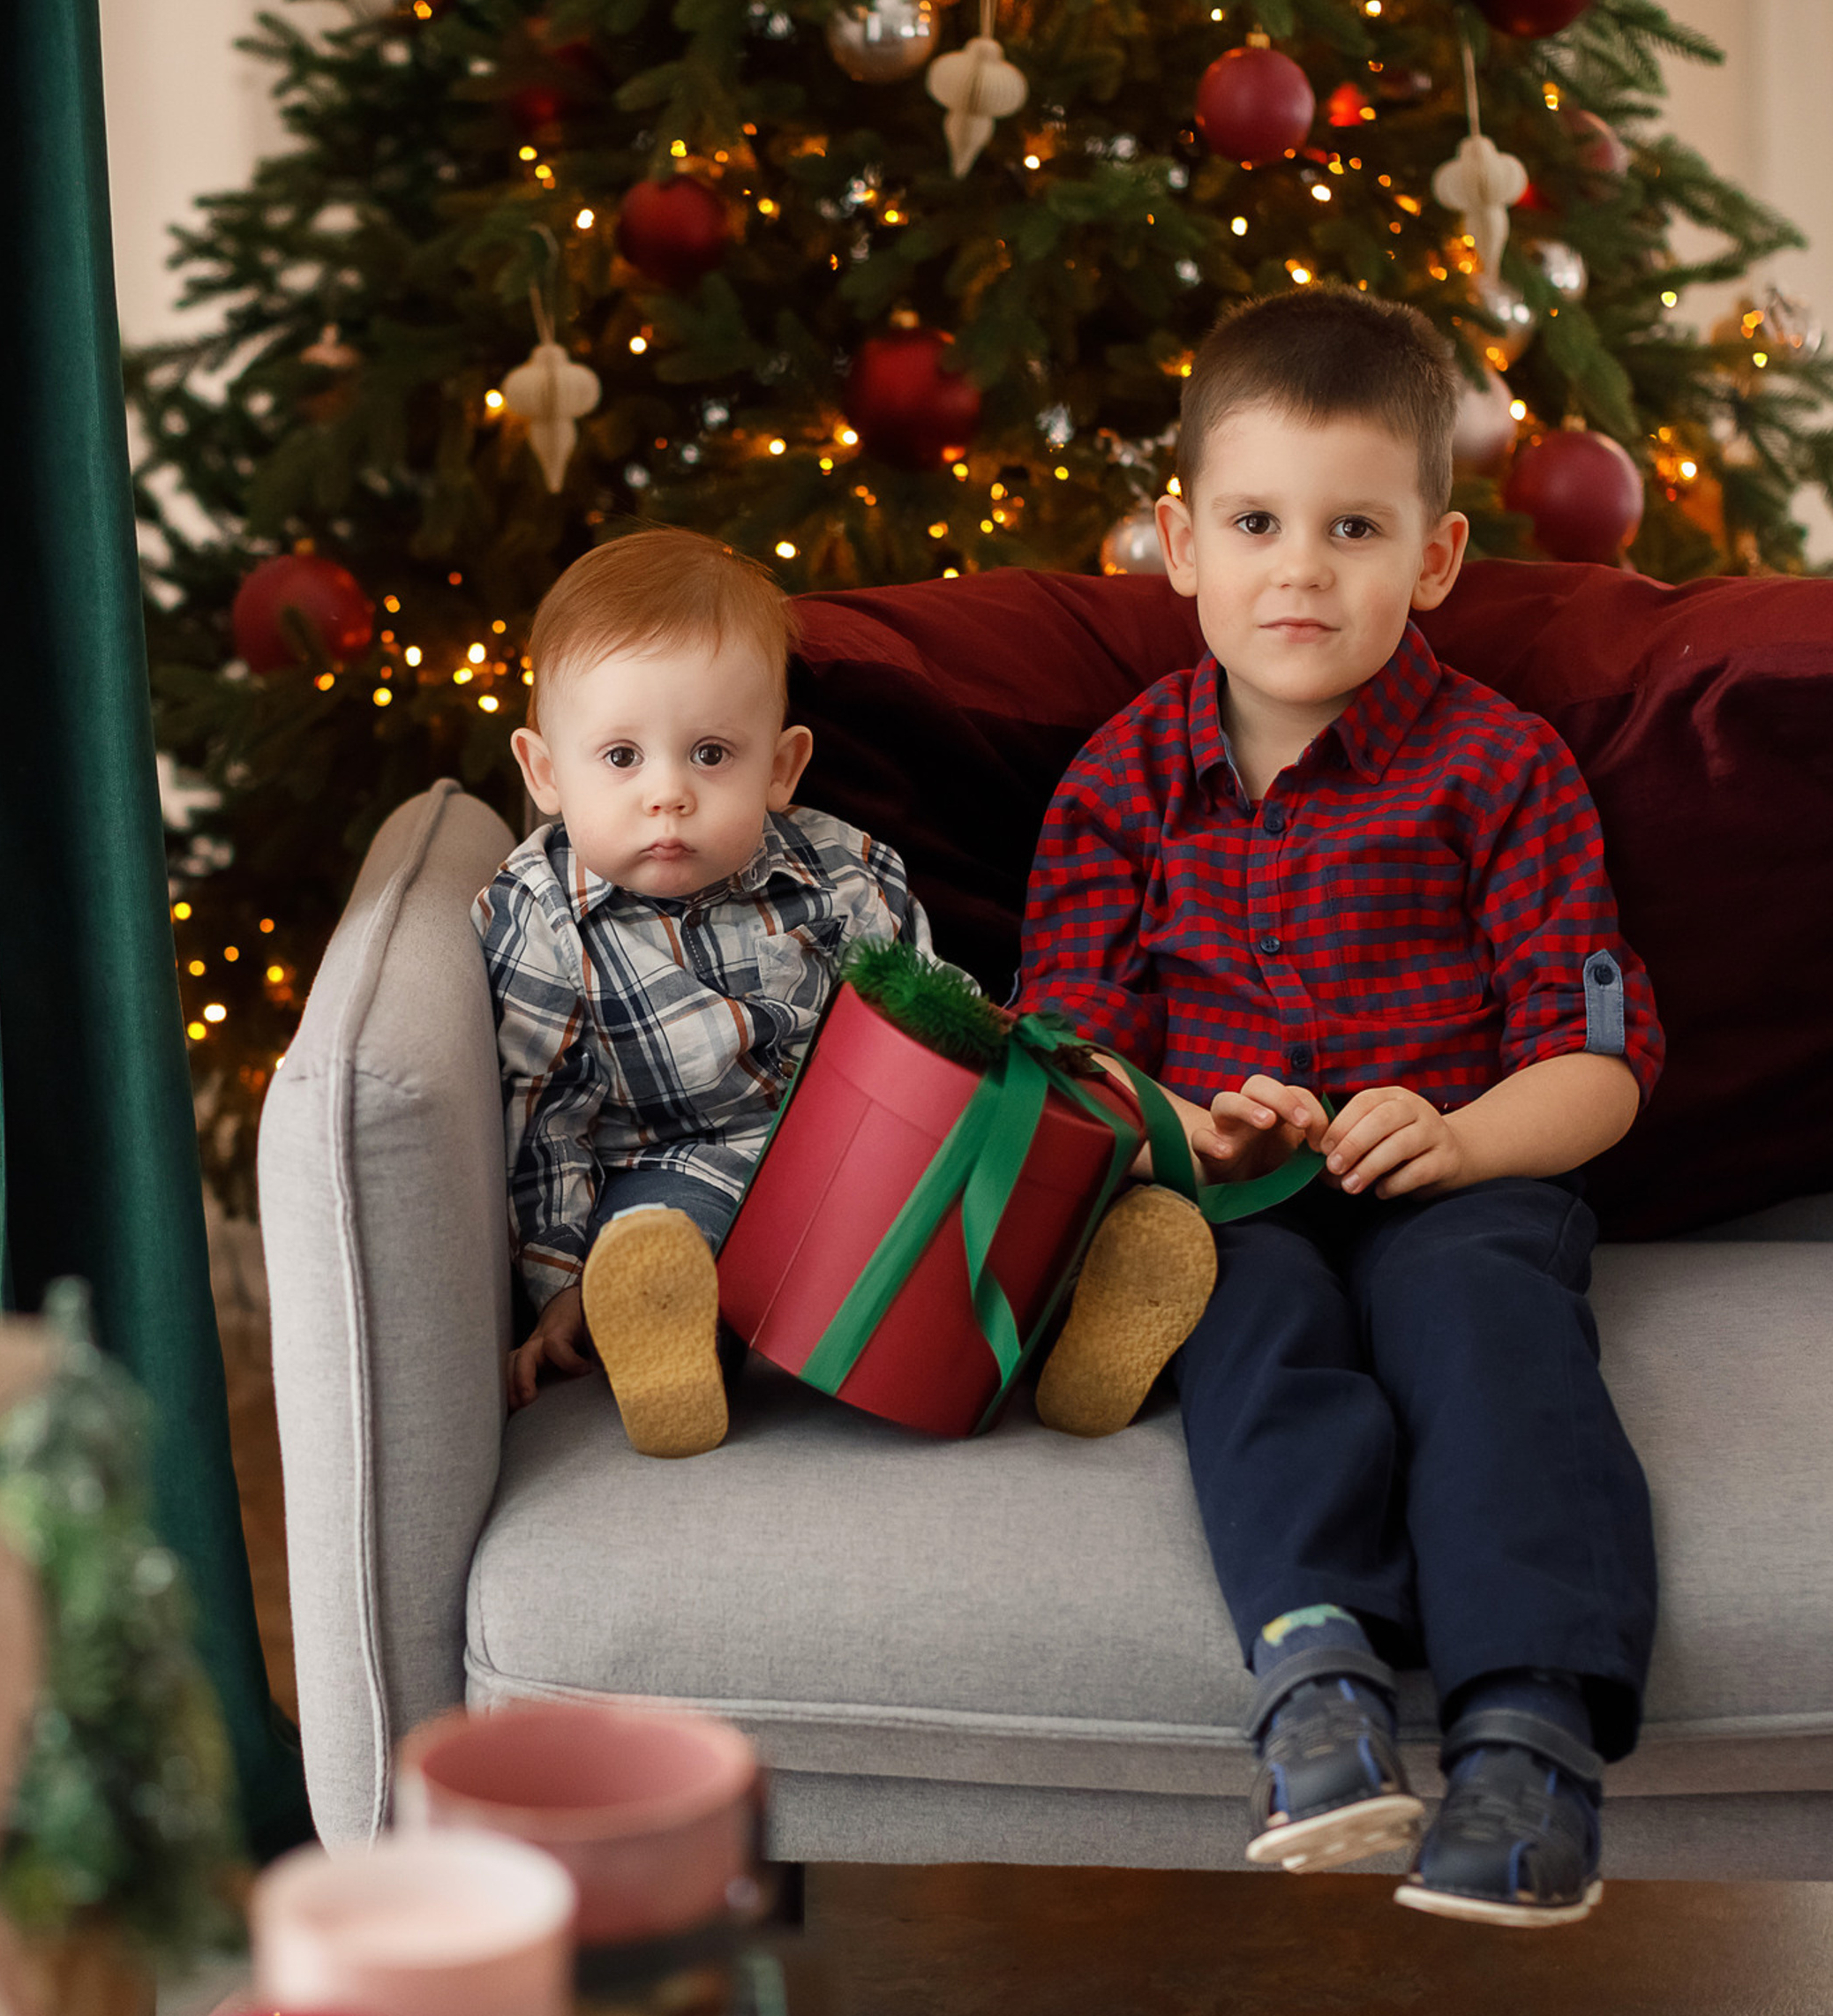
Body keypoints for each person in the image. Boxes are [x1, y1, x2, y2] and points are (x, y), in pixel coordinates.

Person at [1020, 286, 1664, 1928]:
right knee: (1244, 1320)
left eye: (1353, 528)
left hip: (1462, 1177)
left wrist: (1464, 1138)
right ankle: (1320, 1682)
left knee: (1486, 1333)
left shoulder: (1501, 768)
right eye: (1256, 523)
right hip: (1237, 1193)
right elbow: (1069, 1054)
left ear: (1433, 560)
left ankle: (1530, 1736)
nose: (1299, 569)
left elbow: (1602, 1060)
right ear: (1181, 544)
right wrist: (1180, 1126)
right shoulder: (1118, 782)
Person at [474, 526, 933, 1458]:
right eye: (621, 757)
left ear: (781, 766)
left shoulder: (842, 871)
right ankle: (670, 1355)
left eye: (712, 754)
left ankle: (1060, 1303)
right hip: (676, 1168)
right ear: (546, 772)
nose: (668, 794)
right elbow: (544, 1120)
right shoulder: (541, 917)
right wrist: (558, 1283)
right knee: (659, 1244)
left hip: (845, 1155)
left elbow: (916, 1014)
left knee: (935, 1225)